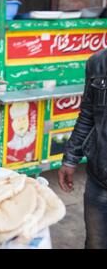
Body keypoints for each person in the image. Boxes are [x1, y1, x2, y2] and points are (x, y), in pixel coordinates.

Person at [59, 49, 107, 249]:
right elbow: (88, 114)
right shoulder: (97, 63)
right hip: (100, 180)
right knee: (96, 243)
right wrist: (70, 159)